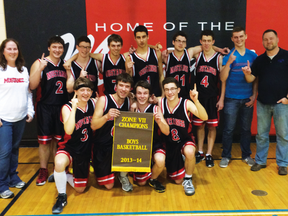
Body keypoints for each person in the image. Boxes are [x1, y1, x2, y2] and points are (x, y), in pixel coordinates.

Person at [242, 29, 288, 175]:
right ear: (262, 42)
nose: (269, 42)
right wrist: (247, 74)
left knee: (283, 135)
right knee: (261, 134)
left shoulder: (286, 56)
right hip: (263, 102)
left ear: (277, 39)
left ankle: (282, 163)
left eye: (271, 39)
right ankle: (260, 161)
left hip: (282, 103)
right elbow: (251, 79)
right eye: (266, 39)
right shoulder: (259, 60)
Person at [52, 77, 96, 214]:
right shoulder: (67, 107)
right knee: (59, 162)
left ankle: (62, 175)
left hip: (84, 151)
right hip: (69, 148)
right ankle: (61, 196)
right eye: (82, 90)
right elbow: (69, 130)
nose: (85, 93)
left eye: (88, 90)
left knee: (80, 189)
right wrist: (75, 107)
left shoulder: (93, 103)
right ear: (75, 91)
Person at [30, 36, 68, 185]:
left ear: (63, 49)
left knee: (58, 141)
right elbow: (32, 86)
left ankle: (56, 169)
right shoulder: (40, 63)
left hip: (60, 106)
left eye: (60, 47)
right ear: (49, 48)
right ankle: (43, 170)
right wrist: (39, 69)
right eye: (54, 47)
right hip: (45, 106)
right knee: (45, 142)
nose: (57, 50)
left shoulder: (65, 64)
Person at [159, 77, 208, 196]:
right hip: (168, 143)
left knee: (190, 151)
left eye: (172, 89)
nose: (170, 92)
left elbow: (205, 117)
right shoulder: (160, 103)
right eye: (166, 90)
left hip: (184, 139)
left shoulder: (186, 103)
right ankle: (181, 162)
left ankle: (188, 179)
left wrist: (196, 101)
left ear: (178, 90)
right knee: (176, 180)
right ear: (164, 91)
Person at [0, 39, 34, 198]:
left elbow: (28, 93)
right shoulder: (0, 70)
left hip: (20, 117)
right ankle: (2, 185)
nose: (12, 51)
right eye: (9, 49)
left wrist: (30, 110)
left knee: (14, 150)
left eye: (15, 49)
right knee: (4, 152)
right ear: (3, 51)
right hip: (4, 119)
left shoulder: (23, 70)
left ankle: (13, 178)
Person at [219, 26, 257, 168]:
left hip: (247, 98)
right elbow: (222, 78)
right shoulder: (228, 57)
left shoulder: (253, 56)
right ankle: (226, 156)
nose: (238, 39)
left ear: (246, 36)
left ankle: (246, 155)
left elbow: (255, 79)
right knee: (228, 129)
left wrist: (254, 95)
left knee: (246, 129)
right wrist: (229, 62)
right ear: (232, 39)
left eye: (241, 36)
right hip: (231, 98)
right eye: (235, 37)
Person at [91, 73, 134, 191]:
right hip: (103, 146)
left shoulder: (129, 102)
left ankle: (122, 174)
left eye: (127, 86)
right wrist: (107, 116)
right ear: (116, 86)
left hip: (119, 146)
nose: (123, 89)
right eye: (121, 85)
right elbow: (93, 125)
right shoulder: (104, 100)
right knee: (109, 186)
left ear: (130, 89)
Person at [192, 30, 225, 168]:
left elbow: (223, 80)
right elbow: (183, 49)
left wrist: (221, 98)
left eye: (209, 40)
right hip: (200, 98)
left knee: (211, 127)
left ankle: (209, 154)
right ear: (200, 42)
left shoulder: (219, 58)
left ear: (213, 41)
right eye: (204, 40)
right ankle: (200, 151)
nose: (206, 43)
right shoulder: (197, 55)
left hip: (212, 97)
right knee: (200, 126)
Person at [133, 80, 169, 193]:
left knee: (160, 160)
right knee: (141, 183)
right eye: (139, 93)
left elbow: (167, 131)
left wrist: (160, 122)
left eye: (145, 93)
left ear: (150, 95)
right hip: (137, 146)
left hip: (154, 143)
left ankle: (153, 179)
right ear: (135, 95)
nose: (142, 96)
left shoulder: (155, 109)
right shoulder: (132, 108)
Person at [126, 25, 164, 97]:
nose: (141, 40)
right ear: (135, 38)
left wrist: (163, 95)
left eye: (144, 37)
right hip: (140, 98)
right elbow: (128, 81)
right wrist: (128, 70)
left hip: (156, 96)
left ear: (148, 37)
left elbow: (161, 75)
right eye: (138, 37)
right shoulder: (130, 58)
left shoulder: (157, 53)